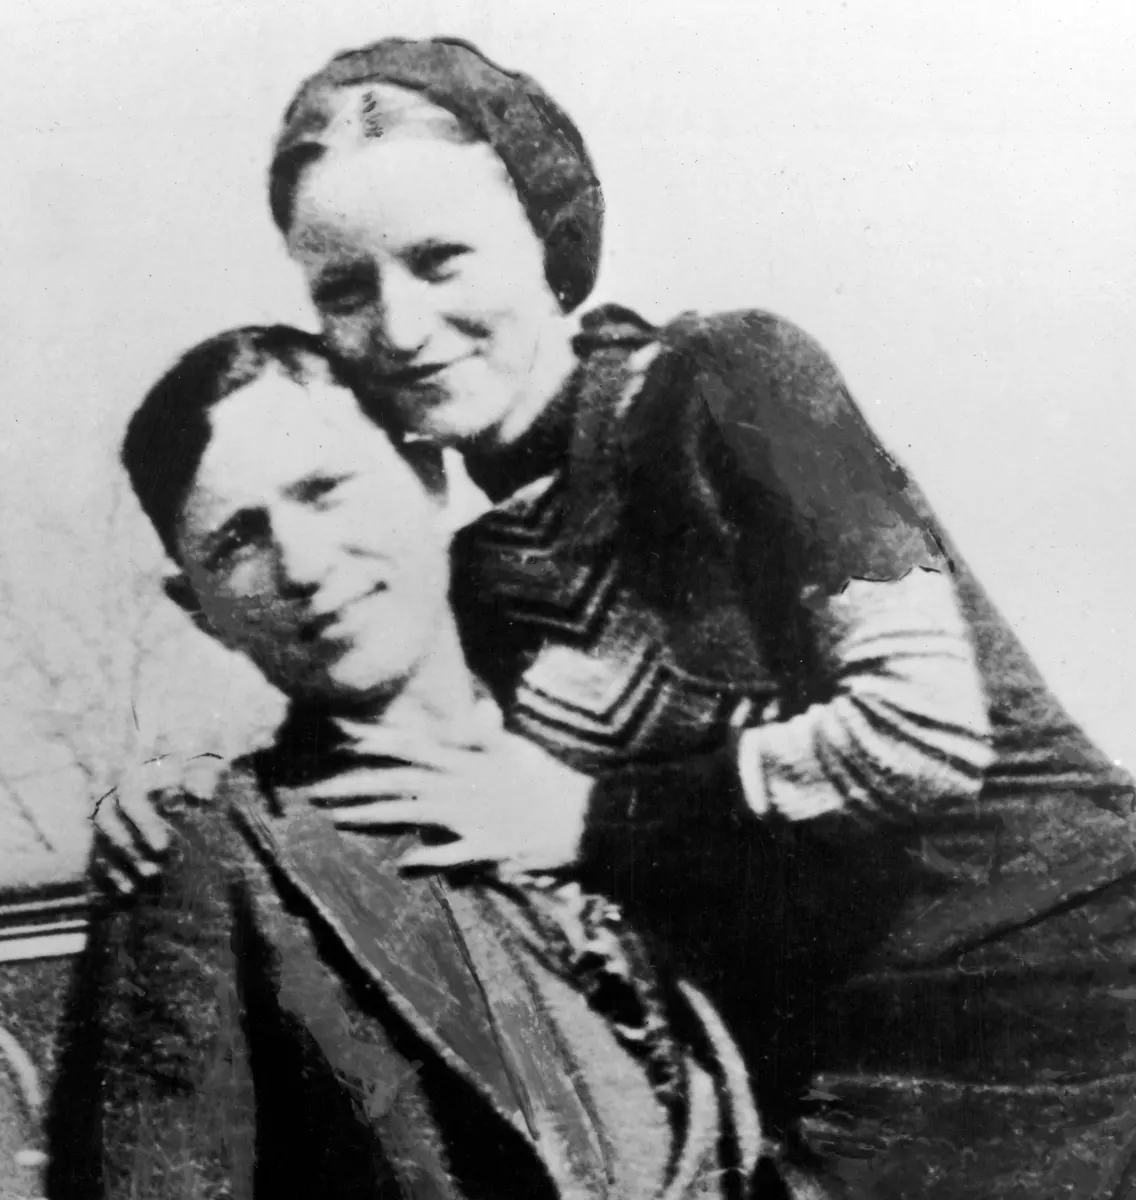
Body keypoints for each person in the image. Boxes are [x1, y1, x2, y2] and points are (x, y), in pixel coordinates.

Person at [260, 35, 1136, 1192]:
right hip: (831, 1080)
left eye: (440, 260)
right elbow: (394, 781)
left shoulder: (727, 382)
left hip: (1073, 1005)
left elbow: (922, 734)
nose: (403, 326)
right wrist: (171, 800)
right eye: (345, 292)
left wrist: (594, 817)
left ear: (548, 241)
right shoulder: (473, 579)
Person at [49, 325, 807, 1200]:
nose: (302, 565)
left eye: (325, 490)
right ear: (199, 609)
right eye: (236, 542)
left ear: (429, 477)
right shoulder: (210, 861)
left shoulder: (625, 761)